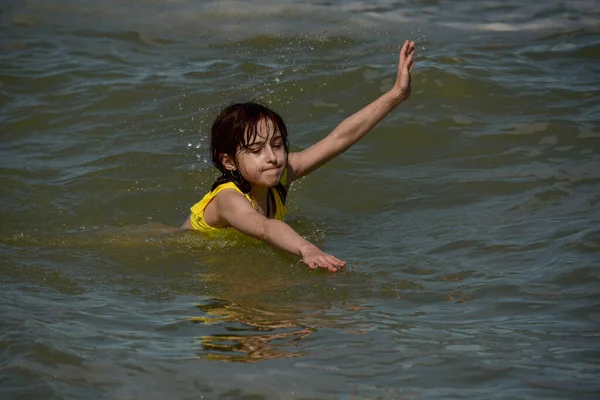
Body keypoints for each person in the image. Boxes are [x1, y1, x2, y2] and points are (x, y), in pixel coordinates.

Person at [181, 40, 415, 272]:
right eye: (256, 150)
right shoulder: (228, 199)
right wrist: (307, 248)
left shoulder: (281, 173)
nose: (272, 157)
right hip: (190, 257)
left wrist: (397, 94)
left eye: (277, 144)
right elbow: (265, 228)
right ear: (228, 161)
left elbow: (341, 138)